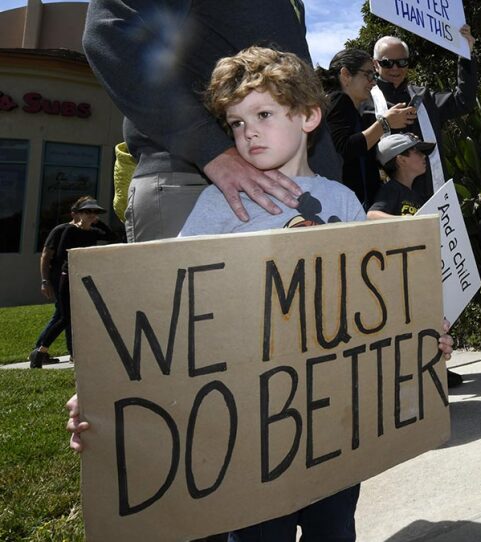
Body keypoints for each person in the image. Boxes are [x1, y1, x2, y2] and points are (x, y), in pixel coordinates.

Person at [66, 46, 454, 541]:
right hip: (253, 445)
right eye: (234, 123)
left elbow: (373, 309)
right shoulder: (217, 204)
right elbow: (168, 306)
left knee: (334, 530)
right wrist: (108, 392)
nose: (247, 132)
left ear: (309, 116)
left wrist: (421, 340)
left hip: (334, 433)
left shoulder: (343, 202)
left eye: (264, 114)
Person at [82, 0, 342, 243]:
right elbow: (110, 32)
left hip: (295, 199)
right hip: (194, 186)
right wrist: (212, 150)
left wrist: (329, 184)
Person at [367, 133, 465, 388]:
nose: (424, 157)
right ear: (400, 159)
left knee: (429, 320)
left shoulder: (415, 193)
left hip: (418, 274)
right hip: (398, 277)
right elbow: (372, 216)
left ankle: (435, 366)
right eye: (417, 152)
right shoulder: (391, 190)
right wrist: (411, 222)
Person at [370, 29, 477, 198]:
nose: (395, 68)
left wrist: (465, 55)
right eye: (387, 63)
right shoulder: (368, 100)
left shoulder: (423, 97)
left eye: (402, 62)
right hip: (388, 199)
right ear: (375, 64)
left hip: (432, 192)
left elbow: (463, 101)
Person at [317, 49, 414, 209]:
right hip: (349, 206)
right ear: (346, 74)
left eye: (374, 76)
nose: (373, 82)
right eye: (368, 74)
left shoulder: (346, 107)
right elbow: (342, 150)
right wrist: (385, 123)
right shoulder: (339, 100)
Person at [29, 197, 115, 368]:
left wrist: (98, 222)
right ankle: (39, 352)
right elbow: (61, 254)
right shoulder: (67, 230)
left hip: (84, 279)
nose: (92, 215)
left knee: (71, 318)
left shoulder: (93, 233)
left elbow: (115, 238)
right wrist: (46, 280)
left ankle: (62, 353)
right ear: (77, 213)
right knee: (64, 317)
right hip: (67, 277)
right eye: (88, 212)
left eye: (95, 212)